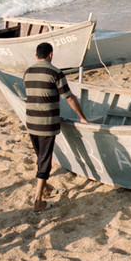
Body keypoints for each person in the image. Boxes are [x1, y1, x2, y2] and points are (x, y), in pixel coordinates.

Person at [24, 42, 89, 213]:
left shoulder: (28, 72)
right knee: (45, 161)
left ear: (36, 55)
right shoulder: (55, 73)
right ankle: (38, 200)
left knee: (41, 157)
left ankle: (44, 188)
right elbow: (69, 98)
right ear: (50, 55)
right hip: (46, 123)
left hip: (31, 122)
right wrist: (82, 117)